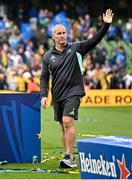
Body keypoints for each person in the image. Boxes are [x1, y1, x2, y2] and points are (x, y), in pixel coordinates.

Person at [40, 9, 114, 168]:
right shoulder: (47, 56)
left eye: (64, 33)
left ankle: (69, 157)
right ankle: (67, 156)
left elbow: (95, 40)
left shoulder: (76, 48)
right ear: (53, 36)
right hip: (57, 95)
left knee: (68, 121)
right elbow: (44, 77)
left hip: (74, 92)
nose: (62, 35)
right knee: (62, 125)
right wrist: (43, 95)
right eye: (58, 33)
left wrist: (106, 25)